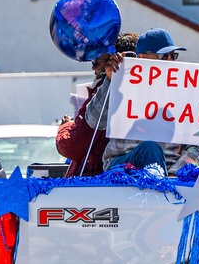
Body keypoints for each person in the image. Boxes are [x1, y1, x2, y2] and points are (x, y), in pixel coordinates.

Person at [86, 28, 199, 174]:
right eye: (164, 56)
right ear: (143, 57)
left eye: (173, 55)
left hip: (168, 171)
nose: (170, 60)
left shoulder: (184, 93)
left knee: (152, 151)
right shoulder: (123, 82)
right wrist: (110, 81)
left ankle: (160, 183)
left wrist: (175, 173)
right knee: (149, 149)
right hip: (123, 163)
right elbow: (94, 121)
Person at [57, 31, 139, 177]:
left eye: (96, 61)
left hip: (96, 184)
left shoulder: (105, 94)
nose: (93, 68)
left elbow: (71, 146)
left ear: (114, 61)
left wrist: (66, 126)